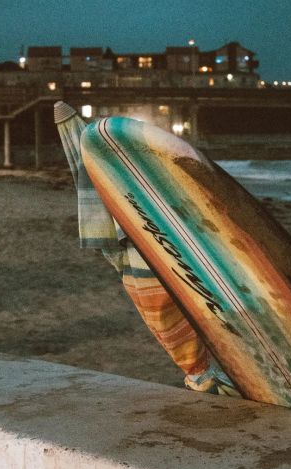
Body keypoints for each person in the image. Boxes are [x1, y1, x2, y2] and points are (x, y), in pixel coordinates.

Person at [55, 102, 238, 396]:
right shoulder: (138, 203)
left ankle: (200, 374)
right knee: (173, 316)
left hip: (135, 259)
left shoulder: (119, 200)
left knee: (167, 322)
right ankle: (202, 375)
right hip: (149, 257)